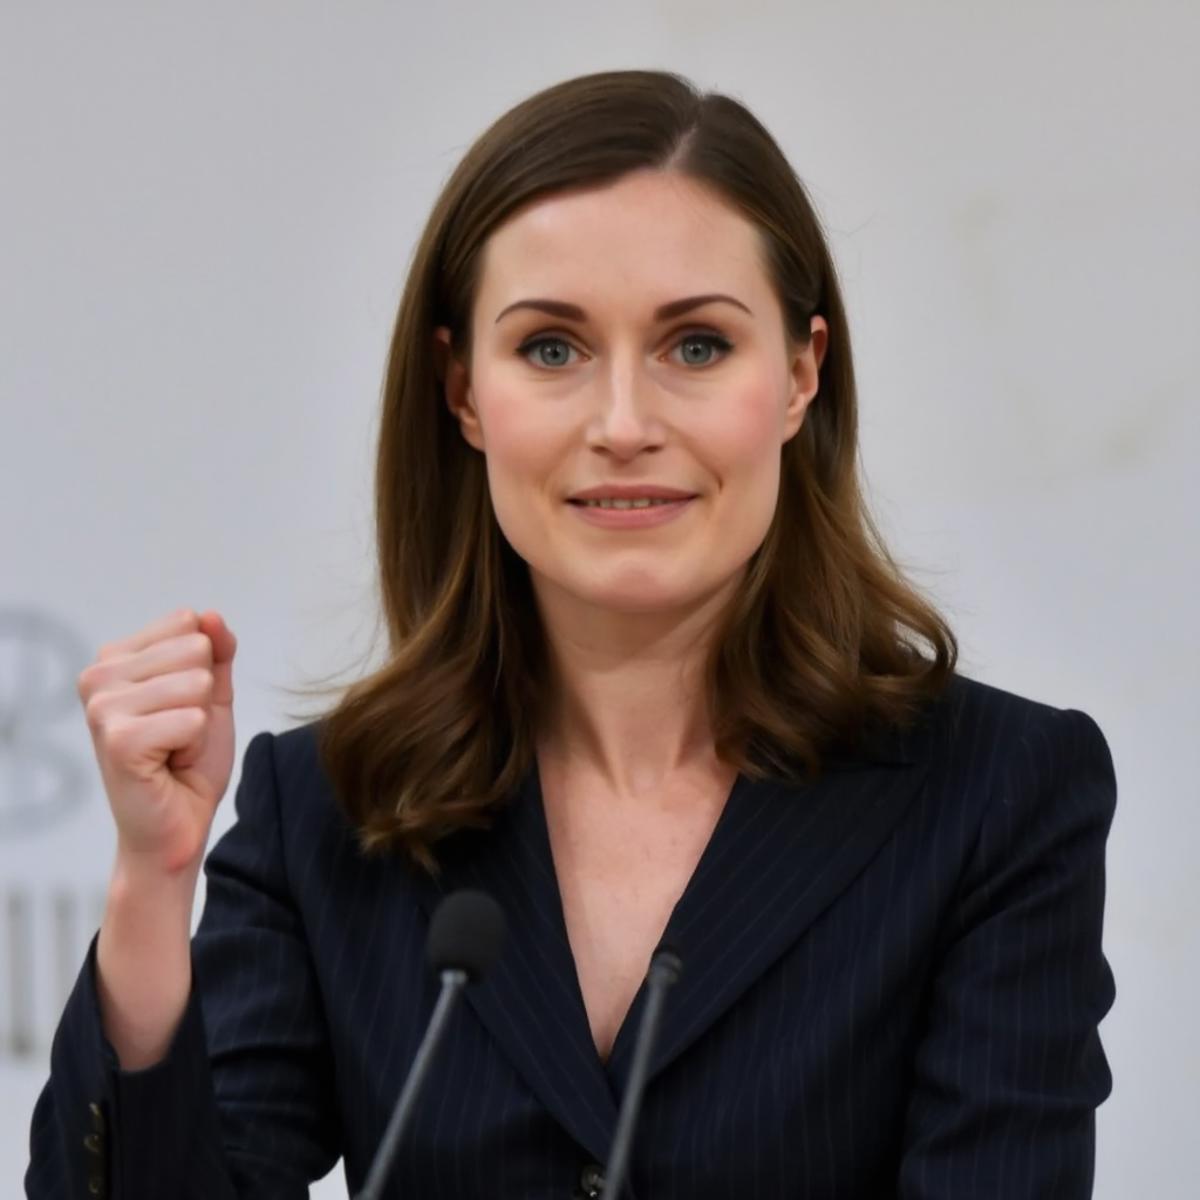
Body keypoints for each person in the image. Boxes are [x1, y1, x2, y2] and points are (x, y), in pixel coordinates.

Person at [25, 68, 1117, 1199]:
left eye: (696, 346)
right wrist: (152, 890)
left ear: (799, 376)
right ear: (462, 392)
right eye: (552, 349)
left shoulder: (997, 795)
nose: (625, 425)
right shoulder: (332, 806)